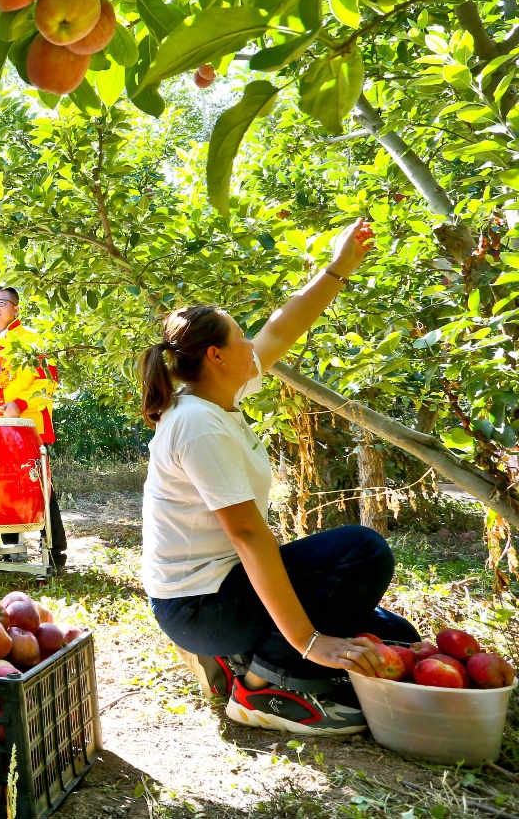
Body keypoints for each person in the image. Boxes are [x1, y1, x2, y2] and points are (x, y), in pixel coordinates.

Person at [140, 218, 419, 736]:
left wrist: (340, 267)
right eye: (240, 337)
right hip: (200, 607)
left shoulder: (216, 396)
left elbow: (283, 328)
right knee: (363, 551)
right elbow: (247, 536)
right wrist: (310, 643)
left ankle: (246, 654)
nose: (253, 344)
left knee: (397, 636)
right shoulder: (199, 425)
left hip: (219, 591)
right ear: (216, 355)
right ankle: (269, 685)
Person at [0, 285, 65, 569]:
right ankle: (12, 547)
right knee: (2, 486)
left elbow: (49, 380)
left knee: (41, 486)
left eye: (2, 303)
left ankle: (54, 550)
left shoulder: (33, 339)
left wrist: (20, 403)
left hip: (28, 425)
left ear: (16, 308)